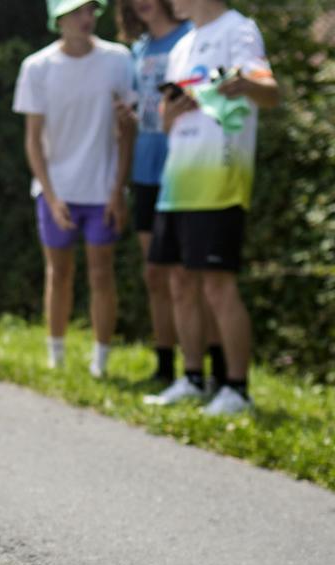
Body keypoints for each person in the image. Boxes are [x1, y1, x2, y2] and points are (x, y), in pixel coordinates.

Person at [141, 0, 279, 415]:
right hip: (176, 181)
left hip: (220, 180)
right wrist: (174, 111)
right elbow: (165, 119)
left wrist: (244, 85)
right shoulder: (184, 44)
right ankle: (193, 378)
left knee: (218, 286)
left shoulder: (239, 30)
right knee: (180, 284)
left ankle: (237, 389)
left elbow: (270, 93)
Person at [14, 0, 136, 379]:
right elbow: (33, 140)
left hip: (103, 189)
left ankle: (100, 363)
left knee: (102, 274)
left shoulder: (119, 59)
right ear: (59, 19)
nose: (88, 18)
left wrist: (118, 189)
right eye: (79, 11)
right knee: (58, 272)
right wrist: (50, 196)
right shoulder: (38, 66)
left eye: (92, 11)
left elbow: (128, 131)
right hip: (56, 192)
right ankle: (57, 357)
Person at [117, 0, 201, 387]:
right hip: (145, 174)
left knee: (190, 276)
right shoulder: (136, 52)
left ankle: (205, 369)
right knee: (154, 273)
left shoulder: (192, 38)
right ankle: (165, 366)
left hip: (184, 170)